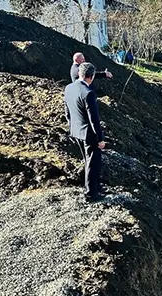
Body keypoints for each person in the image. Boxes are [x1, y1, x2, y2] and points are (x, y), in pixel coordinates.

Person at [64, 63, 106, 202]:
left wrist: (71, 127)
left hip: (76, 131)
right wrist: (100, 139)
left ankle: (93, 187)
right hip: (89, 134)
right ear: (92, 76)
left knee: (87, 161)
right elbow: (94, 120)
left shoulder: (69, 88)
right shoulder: (88, 93)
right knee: (92, 164)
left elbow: (67, 112)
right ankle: (90, 194)